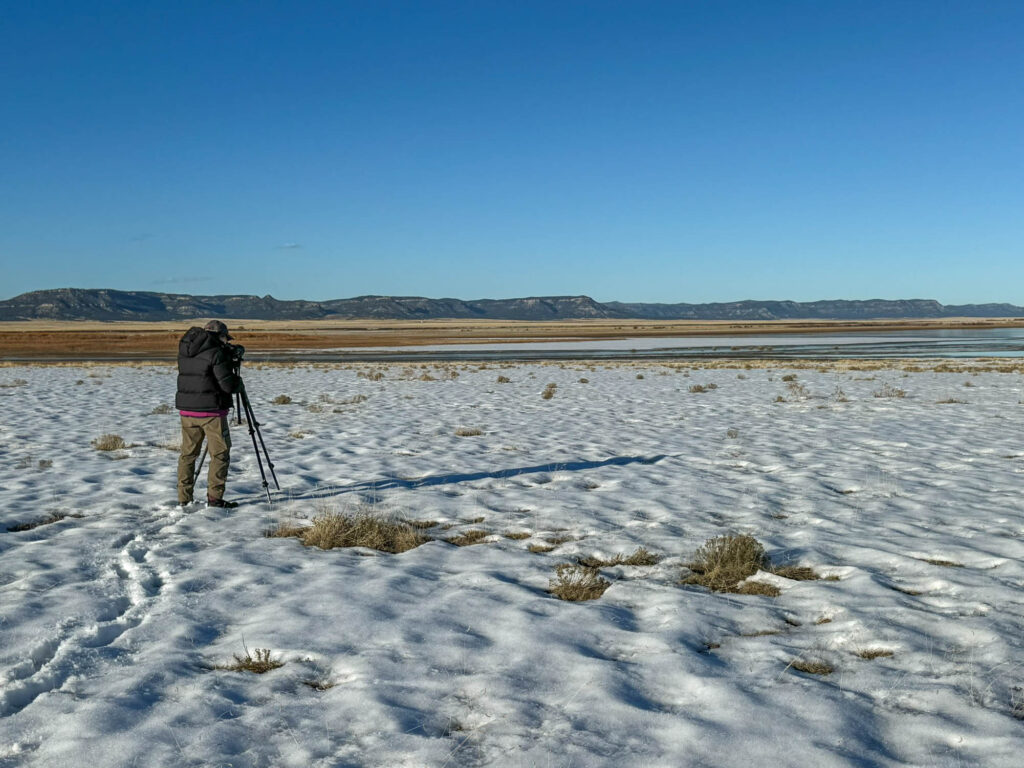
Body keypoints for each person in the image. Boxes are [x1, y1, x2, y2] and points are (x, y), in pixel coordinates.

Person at [175, 320, 243, 507]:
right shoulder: (215, 353)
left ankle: (183, 498)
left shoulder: (185, 351)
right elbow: (228, 385)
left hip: (187, 411)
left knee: (188, 455)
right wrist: (236, 377)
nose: (225, 342)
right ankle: (215, 498)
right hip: (211, 412)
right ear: (218, 336)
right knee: (220, 454)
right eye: (224, 338)